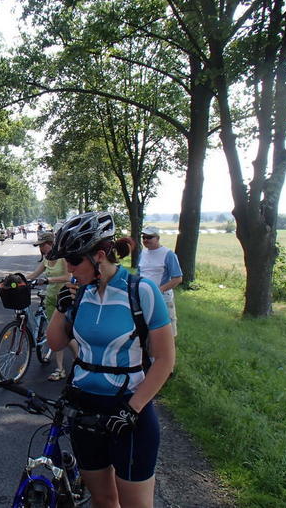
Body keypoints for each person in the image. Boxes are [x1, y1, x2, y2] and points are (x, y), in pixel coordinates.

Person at [46, 212, 175, 508]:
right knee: (103, 500)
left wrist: (133, 409)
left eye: (74, 260)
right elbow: (55, 343)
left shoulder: (141, 291)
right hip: (84, 408)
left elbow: (165, 360)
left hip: (128, 409)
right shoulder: (79, 292)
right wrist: (60, 309)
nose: (69, 268)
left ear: (100, 256)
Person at [26, 231, 77, 381]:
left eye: (43, 245)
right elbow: (34, 275)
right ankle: (60, 369)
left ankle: (79, 361)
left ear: (51, 244)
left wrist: (48, 280)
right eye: (39, 245)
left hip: (64, 300)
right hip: (50, 299)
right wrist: (18, 279)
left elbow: (68, 277)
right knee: (54, 334)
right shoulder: (46, 259)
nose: (41, 248)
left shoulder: (62, 258)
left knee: (66, 335)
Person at [138, 226, 183, 337]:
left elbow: (177, 278)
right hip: (143, 297)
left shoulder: (168, 254)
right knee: (146, 328)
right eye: (143, 237)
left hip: (163, 298)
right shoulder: (142, 253)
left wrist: (158, 290)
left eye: (149, 237)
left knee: (168, 330)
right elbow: (139, 274)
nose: (145, 240)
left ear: (157, 238)